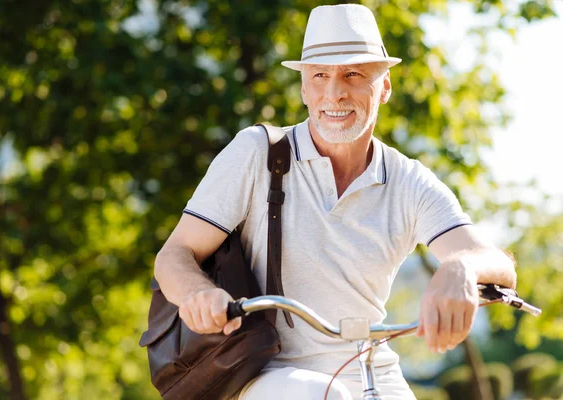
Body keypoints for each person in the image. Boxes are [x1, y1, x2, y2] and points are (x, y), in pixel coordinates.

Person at [154, 4, 517, 399]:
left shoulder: (408, 180)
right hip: (268, 373)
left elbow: (495, 264)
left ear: (385, 86)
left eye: (354, 74)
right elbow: (174, 255)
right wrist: (196, 294)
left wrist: (461, 268)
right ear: (304, 89)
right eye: (320, 75)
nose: (334, 92)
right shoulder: (258, 153)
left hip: (371, 366)